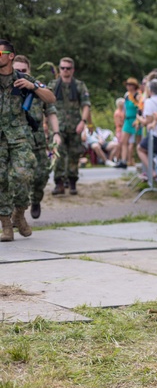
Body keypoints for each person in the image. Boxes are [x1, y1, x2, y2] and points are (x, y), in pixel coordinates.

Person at [0, 40, 55, 240]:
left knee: (23, 174)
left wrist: (32, 87)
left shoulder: (24, 78)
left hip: (19, 136)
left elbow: (50, 98)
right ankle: (6, 226)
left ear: (10, 56)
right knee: (1, 180)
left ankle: (19, 213)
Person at [11, 55, 59, 219]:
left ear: (29, 71)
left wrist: (56, 133)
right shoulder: (5, 86)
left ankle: (36, 199)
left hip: (37, 143)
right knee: (17, 179)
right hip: (14, 143)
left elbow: (51, 109)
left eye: (24, 71)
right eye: (17, 70)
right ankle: (17, 214)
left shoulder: (37, 86)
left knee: (41, 177)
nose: (21, 74)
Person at [51, 56, 91, 196]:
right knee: (58, 154)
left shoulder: (79, 85)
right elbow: (46, 105)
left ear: (72, 70)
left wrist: (84, 122)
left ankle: (72, 182)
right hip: (58, 127)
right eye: (62, 68)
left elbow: (86, 105)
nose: (65, 71)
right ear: (59, 69)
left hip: (75, 126)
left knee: (74, 155)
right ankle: (59, 183)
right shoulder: (53, 85)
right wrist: (45, 123)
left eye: (68, 68)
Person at [137, 78, 157, 183]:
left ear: (150, 89)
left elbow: (147, 121)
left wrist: (139, 118)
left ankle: (152, 172)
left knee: (140, 149)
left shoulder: (149, 101)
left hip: (155, 133)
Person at [121, 77, 142, 168]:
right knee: (124, 141)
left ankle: (142, 161)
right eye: (127, 85)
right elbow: (125, 108)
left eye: (130, 85)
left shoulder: (138, 95)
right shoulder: (126, 96)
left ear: (134, 86)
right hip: (128, 119)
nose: (128, 86)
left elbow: (141, 108)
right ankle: (123, 160)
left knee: (138, 142)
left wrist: (138, 120)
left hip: (136, 119)